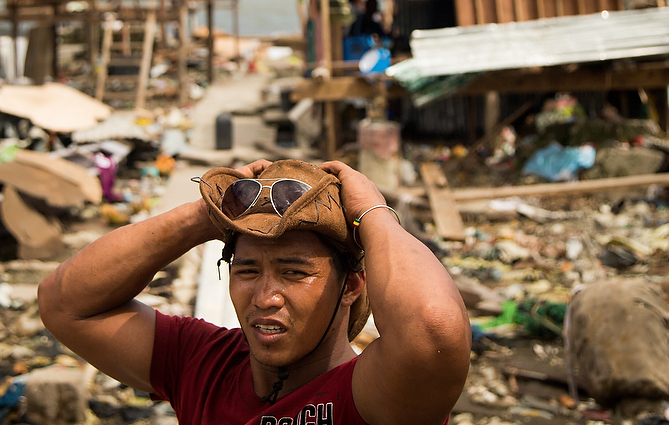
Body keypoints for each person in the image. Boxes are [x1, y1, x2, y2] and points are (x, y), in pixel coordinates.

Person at [38, 159, 471, 425]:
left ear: (352, 286)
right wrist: (204, 217)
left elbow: (433, 329)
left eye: (294, 272)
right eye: (246, 270)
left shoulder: (369, 399)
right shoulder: (203, 366)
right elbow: (65, 303)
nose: (265, 296)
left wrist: (373, 214)